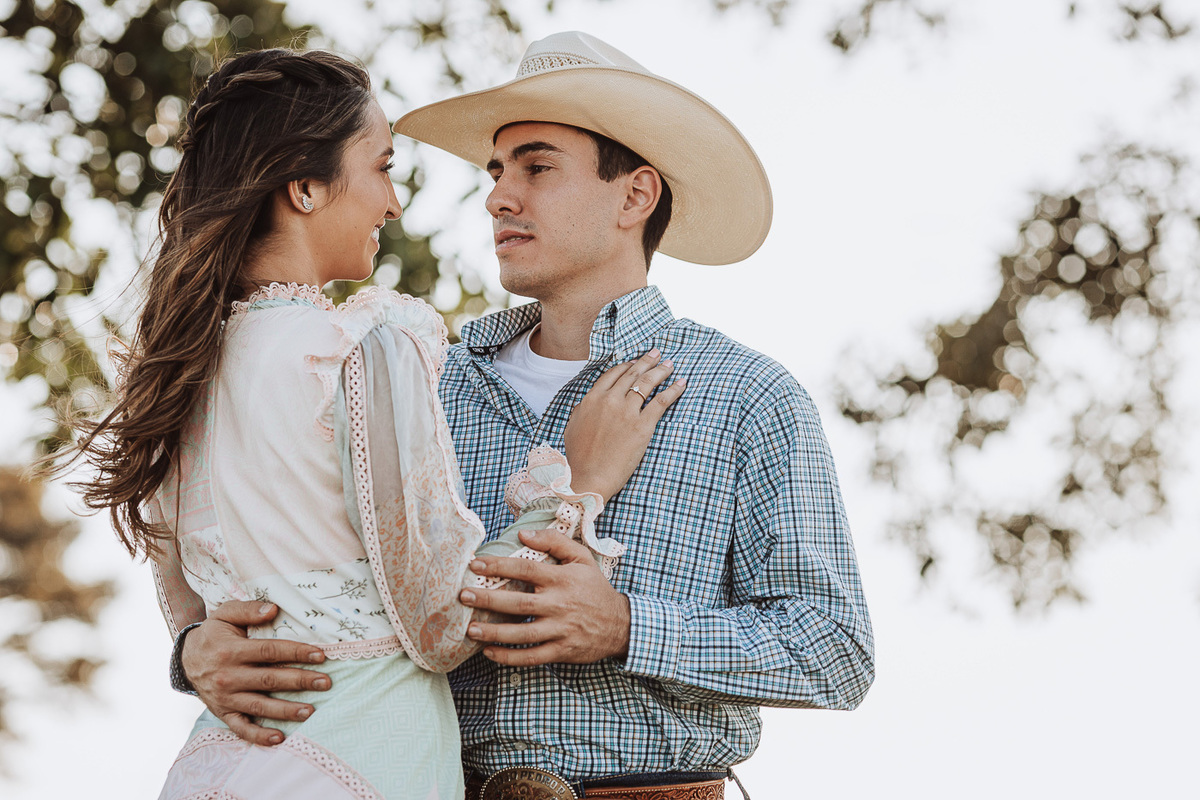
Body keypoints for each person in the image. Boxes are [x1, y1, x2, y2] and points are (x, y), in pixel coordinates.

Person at [177, 32, 875, 800]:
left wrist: (628, 628)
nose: (500, 196)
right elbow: (290, 568)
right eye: (497, 171)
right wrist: (189, 652)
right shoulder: (415, 376)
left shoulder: (746, 397)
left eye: (538, 168)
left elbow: (836, 651)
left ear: (634, 196)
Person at [65, 48, 682, 800]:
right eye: (383, 167)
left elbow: (197, 612)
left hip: (216, 768)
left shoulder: (175, 370)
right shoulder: (364, 347)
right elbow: (439, 627)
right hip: (358, 761)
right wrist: (576, 488)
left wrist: (192, 651)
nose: (394, 203)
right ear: (304, 187)